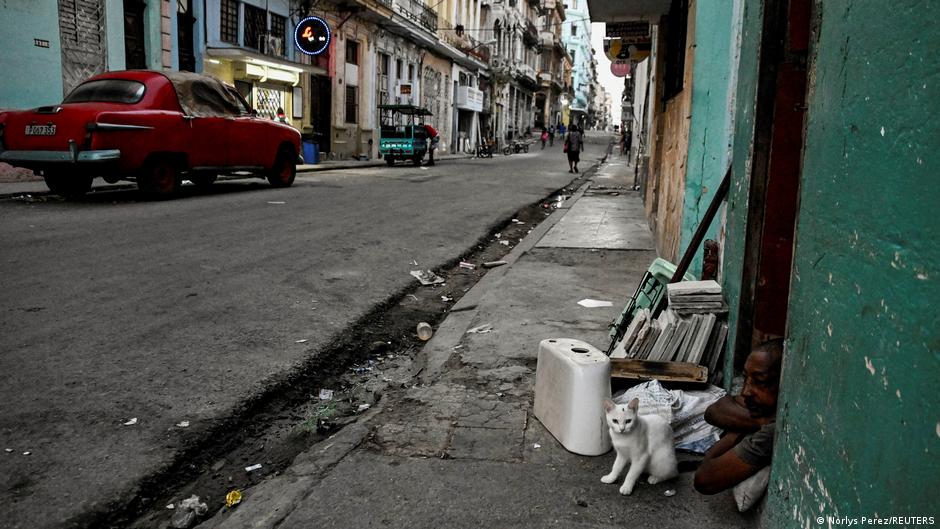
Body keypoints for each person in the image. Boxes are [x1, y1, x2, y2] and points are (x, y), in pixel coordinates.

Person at [693, 339, 784, 495]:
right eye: (746, 378)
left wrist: (734, 432)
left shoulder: (772, 432)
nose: (745, 391)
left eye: (760, 381)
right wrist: (757, 421)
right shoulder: (765, 408)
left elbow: (704, 479)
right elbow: (715, 411)